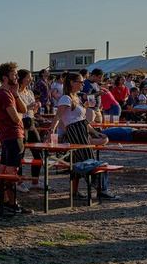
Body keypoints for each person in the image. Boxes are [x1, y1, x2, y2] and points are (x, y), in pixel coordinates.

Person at [48, 72, 117, 200]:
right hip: (75, 131)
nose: (82, 84)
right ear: (71, 83)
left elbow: (82, 119)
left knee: (79, 162)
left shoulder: (76, 97)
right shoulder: (66, 98)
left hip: (81, 129)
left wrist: (94, 132)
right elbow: (58, 116)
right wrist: (51, 130)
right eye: (80, 82)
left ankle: (76, 192)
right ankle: (100, 189)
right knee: (87, 161)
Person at [0, 62, 32, 214]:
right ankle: (12, 204)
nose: (17, 77)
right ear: (5, 77)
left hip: (8, 136)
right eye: (14, 74)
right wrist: (20, 114)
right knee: (11, 171)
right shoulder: (4, 95)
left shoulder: (9, 93)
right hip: (13, 135)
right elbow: (17, 118)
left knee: (4, 170)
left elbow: (23, 109)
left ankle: (6, 202)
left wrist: (16, 94)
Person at [16, 69, 43, 191]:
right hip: (22, 122)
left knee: (38, 152)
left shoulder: (30, 92)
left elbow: (33, 111)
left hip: (31, 122)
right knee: (20, 153)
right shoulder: (16, 93)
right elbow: (17, 110)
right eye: (28, 77)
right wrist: (28, 107)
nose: (30, 80)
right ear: (21, 79)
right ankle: (19, 181)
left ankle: (34, 180)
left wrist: (36, 107)